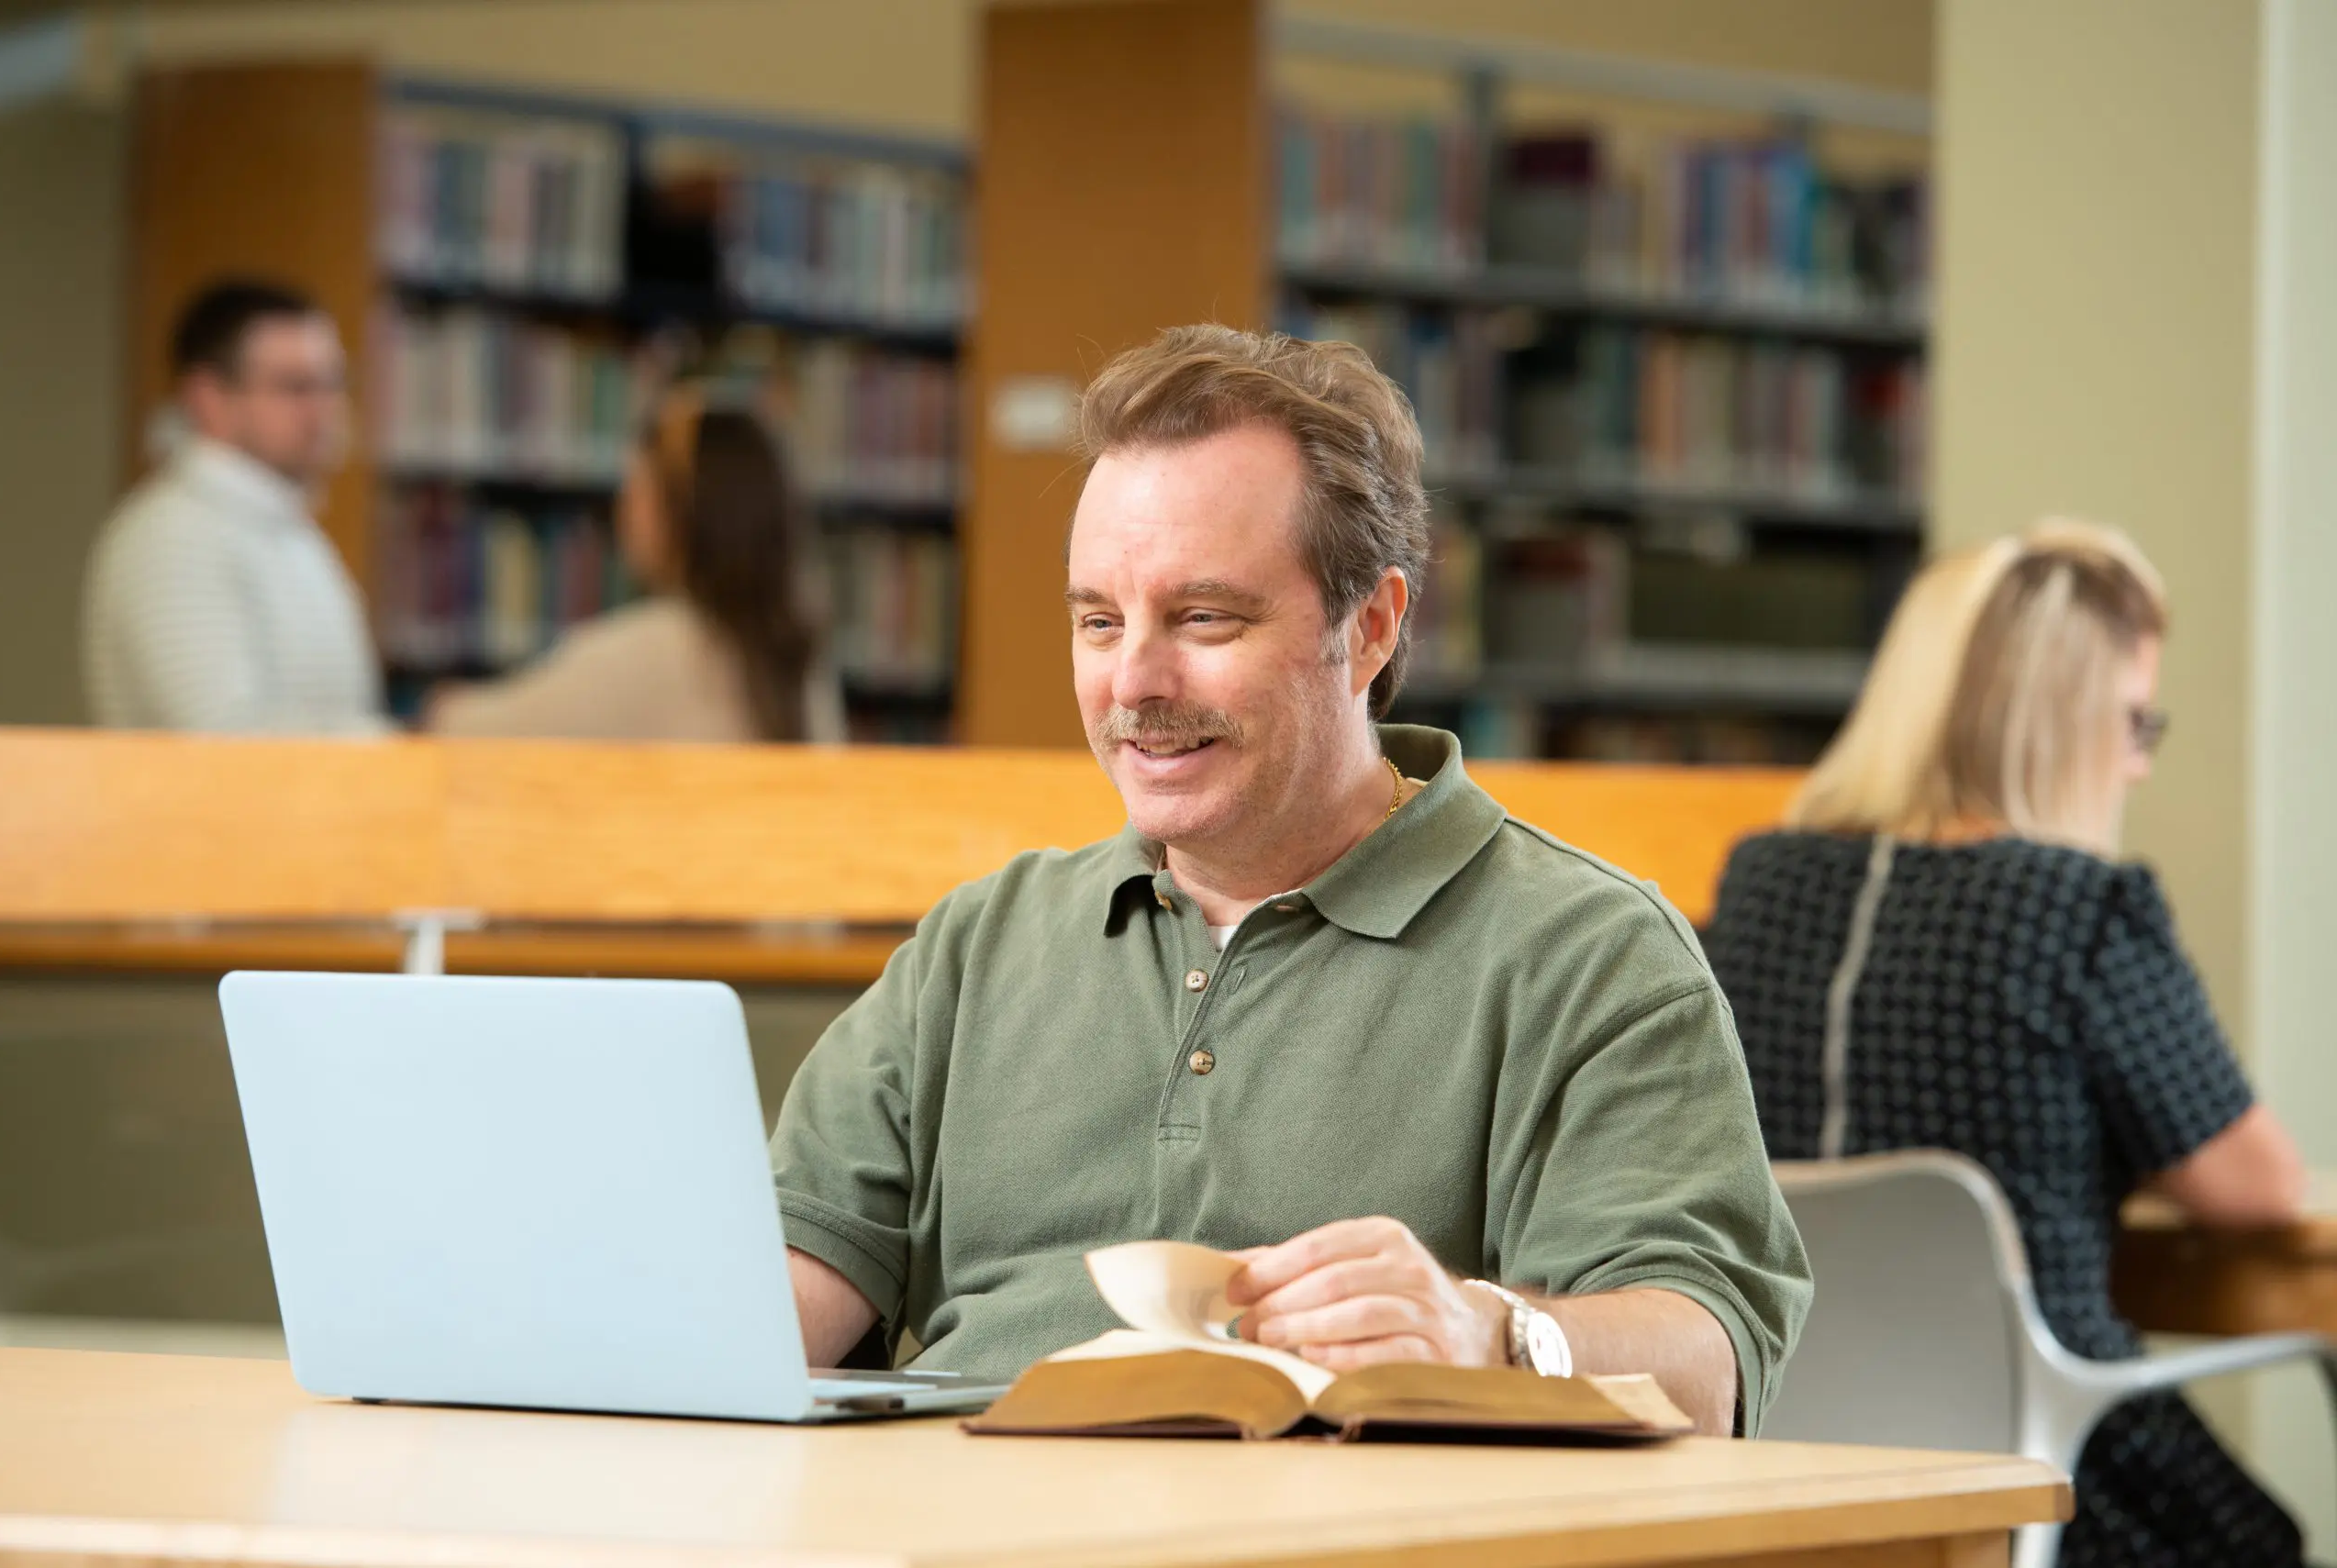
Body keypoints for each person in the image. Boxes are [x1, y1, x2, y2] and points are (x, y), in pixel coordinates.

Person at [769, 325, 1808, 1437]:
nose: (1134, 681)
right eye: (1098, 621)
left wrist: (1490, 1334)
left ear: (1368, 628)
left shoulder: (1587, 951)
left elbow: (1710, 1367)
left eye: (1204, 616)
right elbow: (763, 1316)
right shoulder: (977, 945)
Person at [1703, 522, 2308, 1563]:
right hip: (2038, 1465)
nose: (2136, 762)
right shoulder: (2075, 908)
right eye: (2131, 721)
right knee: (2260, 1539)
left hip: (1787, 1460)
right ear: (2059, 722)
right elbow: (2258, 1188)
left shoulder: (1759, 883)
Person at [428, 385, 841, 742]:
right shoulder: (799, 664)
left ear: (681, 512)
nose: (622, 509)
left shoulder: (661, 650)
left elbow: (465, 729)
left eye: (639, 489)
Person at [82, 279, 384, 734]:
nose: (325, 409)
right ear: (209, 399)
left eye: (334, 383)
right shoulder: (173, 537)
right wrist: (403, 741)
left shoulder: (290, 532)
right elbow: (225, 740)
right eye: (295, 387)